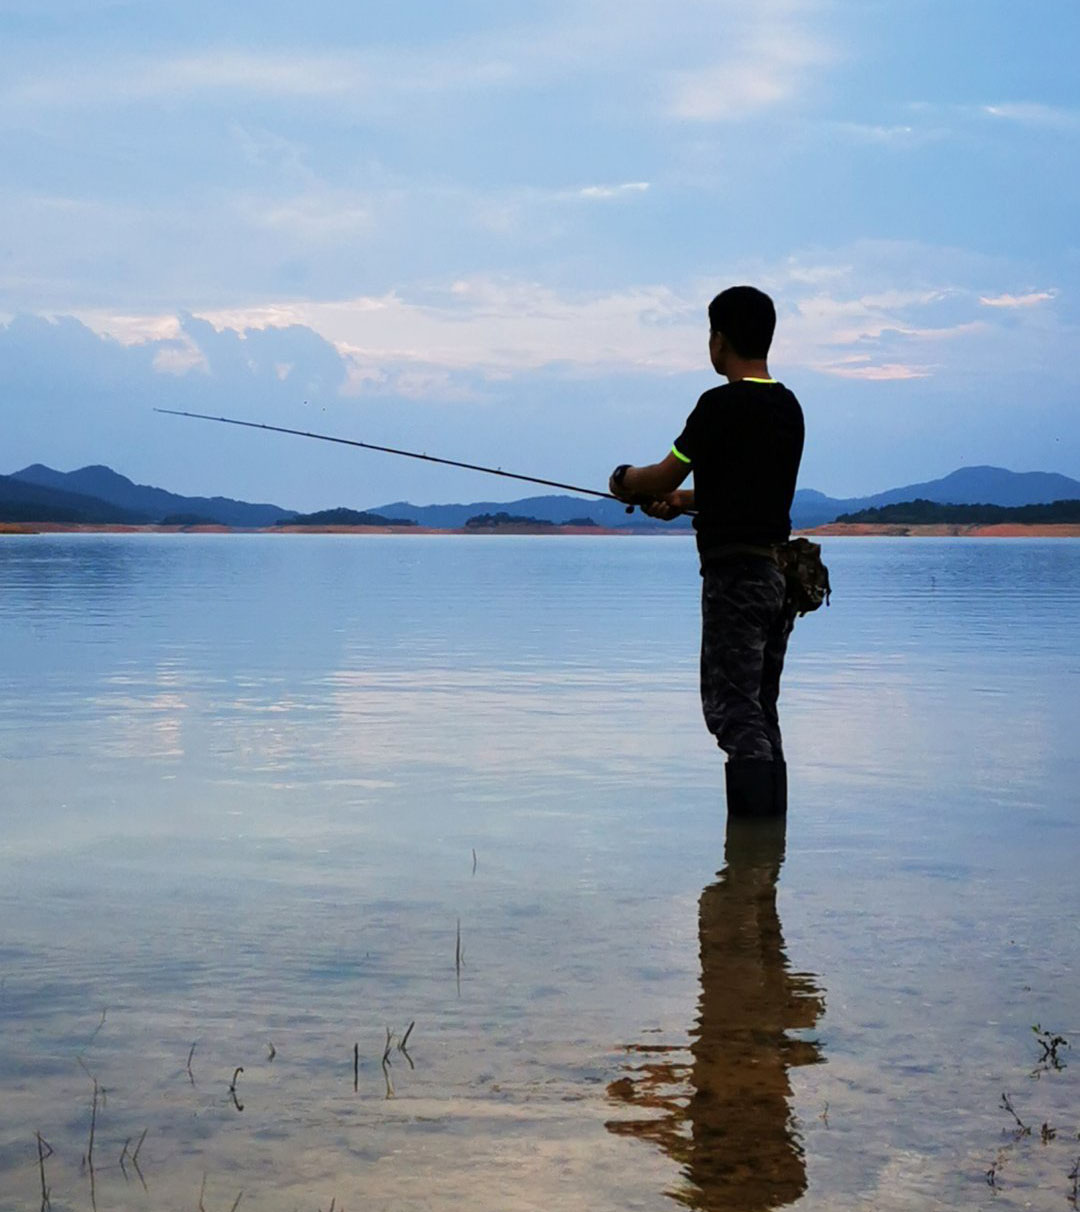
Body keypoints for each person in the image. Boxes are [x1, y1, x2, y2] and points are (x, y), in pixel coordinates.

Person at [608, 285, 805, 816]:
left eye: (710, 334)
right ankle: (764, 862)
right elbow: (747, 491)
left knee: (732, 713)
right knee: (760, 709)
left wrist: (627, 481)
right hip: (778, 576)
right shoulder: (788, 407)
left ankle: (750, 847)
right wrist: (680, 503)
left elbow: (668, 468)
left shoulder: (716, 406)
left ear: (720, 339)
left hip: (735, 578)